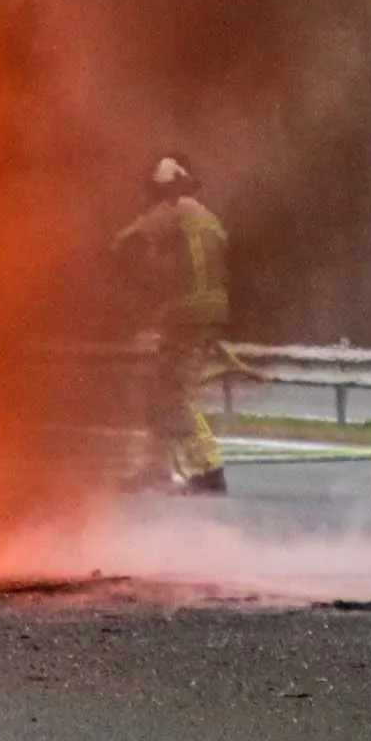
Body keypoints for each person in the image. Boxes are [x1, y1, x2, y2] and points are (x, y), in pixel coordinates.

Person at [114, 155, 234, 494]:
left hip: (189, 317)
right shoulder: (207, 218)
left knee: (177, 395)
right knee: (160, 391)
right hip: (196, 315)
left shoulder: (176, 210)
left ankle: (208, 471)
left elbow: (129, 240)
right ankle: (156, 466)